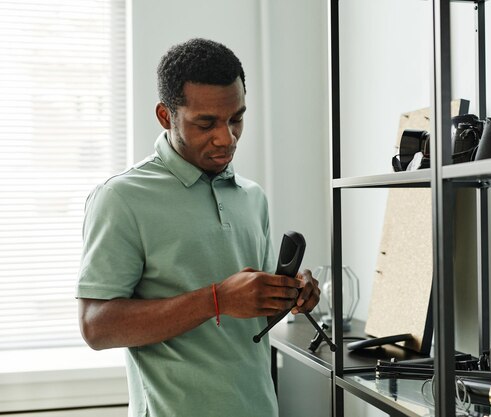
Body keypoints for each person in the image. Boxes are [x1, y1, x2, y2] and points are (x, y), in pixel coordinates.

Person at [76, 38, 320, 417]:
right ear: (165, 115)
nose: (226, 137)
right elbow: (96, 327)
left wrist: (290, 293)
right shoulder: (120, 198)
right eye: (206, 123)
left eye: (236, 118)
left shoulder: (252, 197)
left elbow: (252, 318)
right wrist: (217, 300)